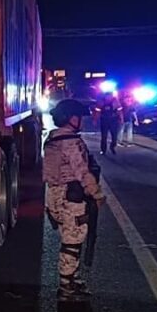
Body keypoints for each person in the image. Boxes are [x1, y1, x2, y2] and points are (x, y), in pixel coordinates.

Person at [44, 99, 107, 300]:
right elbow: (82, 171)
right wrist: (96, 194)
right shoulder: (71, 142)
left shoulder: (53, 139)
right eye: (79, 117)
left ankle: (72, 279)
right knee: (73, 241)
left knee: (71, 238)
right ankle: (66, 287)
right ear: (71, 118)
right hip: (71, 198)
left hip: (55, 196)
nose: (81, 121)